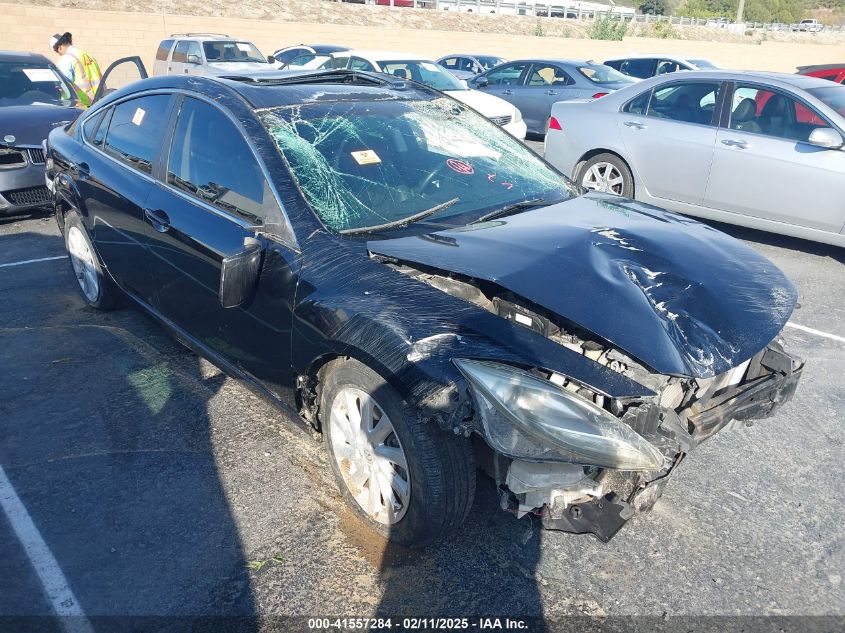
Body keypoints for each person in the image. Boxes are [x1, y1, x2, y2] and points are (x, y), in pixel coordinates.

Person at [50, 32, 102, 107]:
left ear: (59, 47)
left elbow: (62, 85)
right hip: (99, 102)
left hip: (81, 106)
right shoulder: (87, 55)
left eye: (56, 51)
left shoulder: (66, 59)